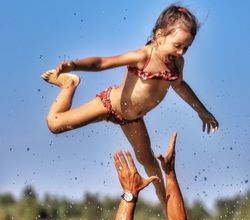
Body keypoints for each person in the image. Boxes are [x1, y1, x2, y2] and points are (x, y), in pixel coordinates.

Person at [41, 5, 219, 207]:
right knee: (54, 124)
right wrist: (74, 65)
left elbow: (179, 85)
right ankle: (69, 85)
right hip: (108, 104)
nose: (180, 52)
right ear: (160, 36)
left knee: (149, 161)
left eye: (186, 48)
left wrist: (201, 111)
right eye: (177, 45)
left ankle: (169, 211)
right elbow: (102, 63)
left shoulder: (177, 64)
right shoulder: (144, 56)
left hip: (132, 119)